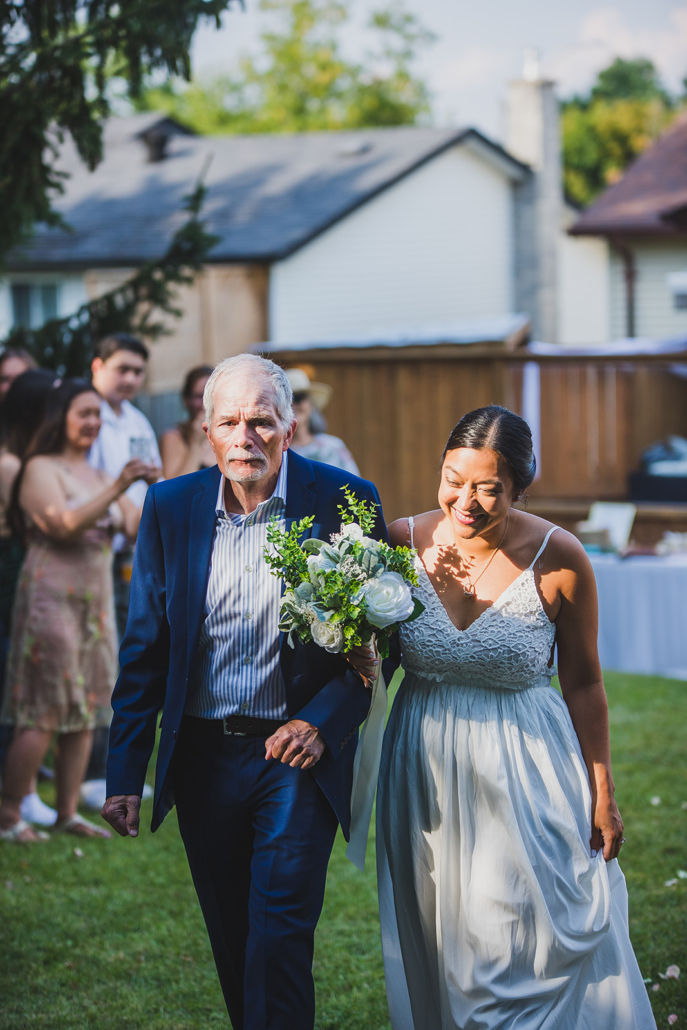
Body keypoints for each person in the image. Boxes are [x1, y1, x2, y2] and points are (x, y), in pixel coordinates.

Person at [102, 353, 399, 1029]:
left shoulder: (346, 502)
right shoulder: (170, 507)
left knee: (277, 935)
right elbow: (145, 649)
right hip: (203, 759)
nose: (246, 437)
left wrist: (320, 721)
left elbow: (378, 645)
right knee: (234, 939)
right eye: (230, 422)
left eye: (261, 422)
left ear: (289, 429)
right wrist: (123, 770)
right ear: (206, 432)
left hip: (294, 756)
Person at [360, 405, 656, 1029]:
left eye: (487, 488)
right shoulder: (397, 542)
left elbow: (584, 682)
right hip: (424, 769)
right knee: (442, 942)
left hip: (526, 769)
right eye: (453, 479)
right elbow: (370, 663)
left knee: (511, 947)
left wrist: (603, 793)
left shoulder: (561, 557)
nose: (464, 501)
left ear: (521, 487)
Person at [0, 379, 150, 843]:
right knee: (44, 709)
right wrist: (120, 485)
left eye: (96, 416)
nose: (92, 423)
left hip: (95, 604)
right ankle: (8, 814)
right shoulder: (39, 468)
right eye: (83, 413)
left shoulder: (96, 473)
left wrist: (157, 487)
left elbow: (133, 523)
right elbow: (60, 525)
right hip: (51, 600)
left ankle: (66, 812)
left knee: (88, 708)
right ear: (59, 418)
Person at [84, 332, 160, 810]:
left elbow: (152, 480)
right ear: (97, 366)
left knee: (128, 658)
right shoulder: (83, 413)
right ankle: (94, 771)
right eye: (121, 369)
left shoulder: (136, 420)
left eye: (137, 371)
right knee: (100, 662)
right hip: (95, 549)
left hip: (133, 553)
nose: (130, 379)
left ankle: (111, 764)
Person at [0, 369, 59, 825]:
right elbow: (54, 524)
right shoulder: (12, 465)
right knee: (21, 688)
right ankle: (12, 799)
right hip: (10, 577)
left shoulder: (28, 461)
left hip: (19, 573)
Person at [286, 367, 360, 474]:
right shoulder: (277, 451)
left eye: (298, 398)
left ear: (311, 404)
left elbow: (354, 486)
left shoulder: (333, 447)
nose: (293, 405)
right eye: (287, 400)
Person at [159, 364, 216, 479]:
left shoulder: (228, 435)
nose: (205, 405)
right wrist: (195, 443)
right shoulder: (174, 437)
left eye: (211, 397)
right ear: (186, 400)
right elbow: (174, 489)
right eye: (199, 397)